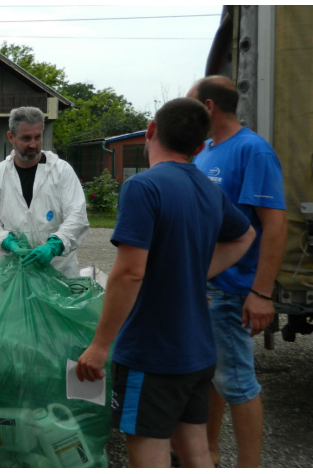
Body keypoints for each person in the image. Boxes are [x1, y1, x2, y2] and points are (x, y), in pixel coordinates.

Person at [75, 98, 256, 468]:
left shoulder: (143, 187)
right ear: (200, 146)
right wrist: (192, 272)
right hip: (198, 351)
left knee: (149, 450)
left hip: (151, 353)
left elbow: (130, 273)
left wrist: (99, 345)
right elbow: (246, 236)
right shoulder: (208, 188)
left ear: (151, 130)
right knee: (194, 448)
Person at [187, 76, 288, 468]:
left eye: (191, 102)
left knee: (239, 383)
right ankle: (209, 456)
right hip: (206, 288)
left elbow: (275, 225)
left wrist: (261, 292)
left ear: (208, 107)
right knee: (211, 377)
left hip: (234, 290)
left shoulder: (253, 151)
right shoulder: (207, 150)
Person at [0, 106, 89, 278]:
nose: (33, 144)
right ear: (11, 137)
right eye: (26, 138)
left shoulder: (61, 171)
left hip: (58, 272)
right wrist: (7, 241)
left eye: (38, 137)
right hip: (14, 273)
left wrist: (55, 245)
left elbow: (77, 216)